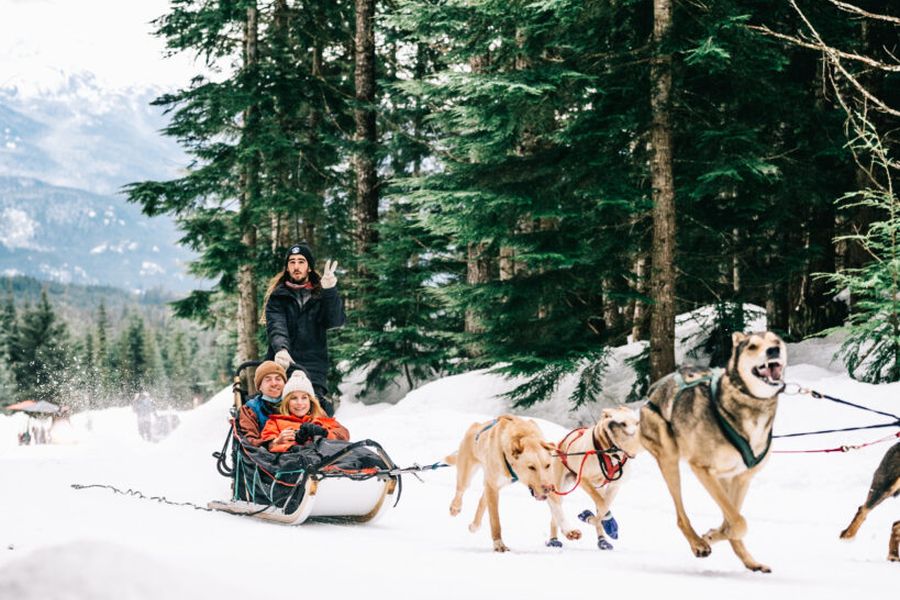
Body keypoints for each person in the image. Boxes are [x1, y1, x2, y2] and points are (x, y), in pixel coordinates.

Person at [263, 243, 345, 416]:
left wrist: (329, 291)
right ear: (287, 267)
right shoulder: (277, 297)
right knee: (277, 409)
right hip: (282, 363)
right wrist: (281, 349)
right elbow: (277, 326)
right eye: (292, 262)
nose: (296, 266)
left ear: (309, 267)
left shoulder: (320, 294)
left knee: (312, 410)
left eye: (301, 261)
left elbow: (335, 321)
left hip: (313, 366)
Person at [260, 370, 349, 453]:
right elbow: (267, 448)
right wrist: (278, 441)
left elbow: (344, 436)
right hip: (296, 462)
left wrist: (324, 433)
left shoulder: (321, 419)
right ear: (287, 402)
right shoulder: (275, 422)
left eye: (304, 398)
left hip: (327, 462)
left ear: (310, 400)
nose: (299, 403)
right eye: (294, 398)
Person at [237, 360, 287, 447]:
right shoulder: (250, 409)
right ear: (260, 386)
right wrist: (272, 443)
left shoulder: (294, 403)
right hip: (264, 456)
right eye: (268, 380)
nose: (274, 383)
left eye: (278, 379)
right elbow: (250, 441)